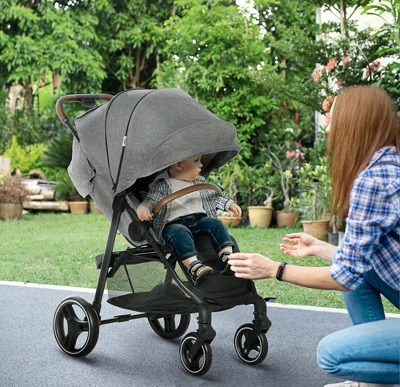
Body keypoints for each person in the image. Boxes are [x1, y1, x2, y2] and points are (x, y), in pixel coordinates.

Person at [228, 86, 400, 387]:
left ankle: (375, 377)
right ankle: (371, 382)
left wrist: (274, 269)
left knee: (332, 355)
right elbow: (361, 260)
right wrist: (321, 248)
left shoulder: (373, 181)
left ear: (354, 125)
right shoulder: (389, 165)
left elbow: (344, 276)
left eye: (333, 121)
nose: (330, 129)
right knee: (354, 269)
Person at [137, 155, 242, 286]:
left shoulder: (199, 182)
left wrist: (229, 204)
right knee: (179, 232)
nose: (201, 165)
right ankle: (194, 267)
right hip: (173, 224)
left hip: (199, 220)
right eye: (196, 161)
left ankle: (227, 257)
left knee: (215, 223)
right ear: (179, 165)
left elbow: (213, 197)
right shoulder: (162, 185)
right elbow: (151, 201)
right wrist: (144, 208)